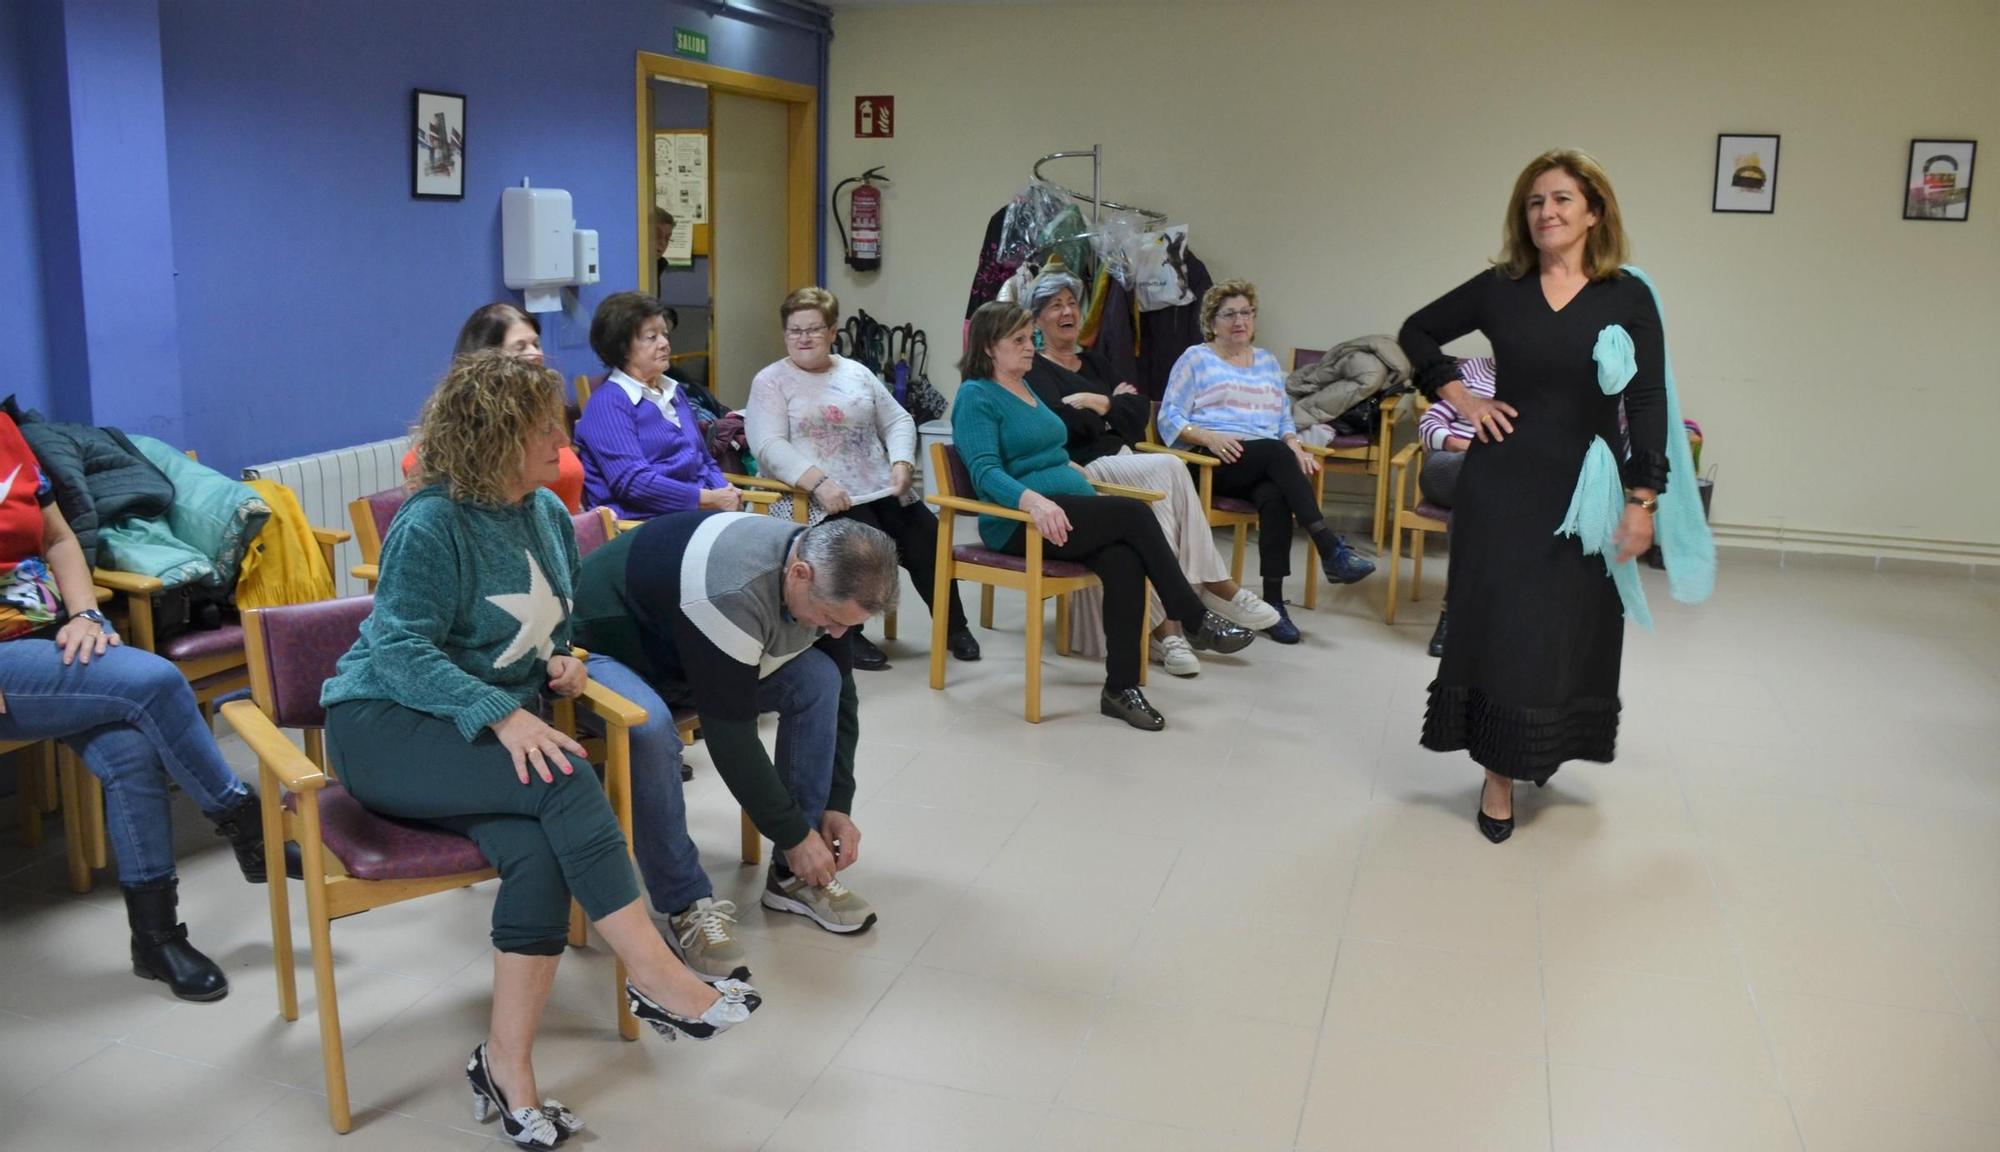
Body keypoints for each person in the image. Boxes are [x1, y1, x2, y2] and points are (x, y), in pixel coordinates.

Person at [321, 352, 758, 1148]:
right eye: (541, 428)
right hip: (384, 724)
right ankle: (658, 979)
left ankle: (505, 1067)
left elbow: (550, 629)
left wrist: (562, 664)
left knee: (539, 851)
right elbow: (397, 653)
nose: (560, 440)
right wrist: (502, 711)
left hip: (471, 728)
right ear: (491, 437)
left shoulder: (549, 516)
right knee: (562, 776)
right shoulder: (433, 522)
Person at [1398, 148, 1669, 844]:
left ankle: (1538, 746)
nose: (1546, 212)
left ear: (1593, 213)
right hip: (1503, 485)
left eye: (1561, 200)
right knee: (1504, 626)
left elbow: (1644, 401)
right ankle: (1496, 774)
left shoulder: (1627, 296)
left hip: (1586, 491)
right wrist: (1460, 397)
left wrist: (1645, 499)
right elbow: (1416, 331)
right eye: (1534, 202)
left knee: (1563, 631)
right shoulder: (1502, 286)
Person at [0, 411, 280, 1003]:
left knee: (130, 752)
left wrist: (86, 614)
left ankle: (155, 940)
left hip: (47, 635)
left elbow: (56, 538)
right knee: (153, 682)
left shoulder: (6, 432)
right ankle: (244, 820)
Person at [573, 511, 895, 947]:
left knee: (820, 679)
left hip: (680, 648)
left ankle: (791, 877)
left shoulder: (820, 583)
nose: (838, 634)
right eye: (829, 617)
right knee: (649, 729)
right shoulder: (731, 590)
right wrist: (795, 833)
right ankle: (684, 903)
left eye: (851, 626)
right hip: (597, 651)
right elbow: (731, 738)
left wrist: (837, 804)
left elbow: (842, 695)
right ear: (799, 574)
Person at [951, 302, 1257, 731]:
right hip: (1019, 523)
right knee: (1133, 514)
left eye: (1029, 338)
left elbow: (1048, 449)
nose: (1029, 347)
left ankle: (1120, 688)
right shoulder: (976, 396)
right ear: (987, 347)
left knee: (1124, 560)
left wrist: (1070, 471)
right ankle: (1192, 615)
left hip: (1064, 510)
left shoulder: (1026, 388)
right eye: (1018, 340)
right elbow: (986, 472)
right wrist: (1036, 503)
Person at [1022, 270, 1279, 676]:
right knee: (1170, 467)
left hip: (1125, 456)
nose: (1068, 311)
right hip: (1087, 468)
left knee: (1160, 499)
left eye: (1073, 302)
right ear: (1036, 319)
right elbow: (1067, 427)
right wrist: (1112, 406)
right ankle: (1211, 587)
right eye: (1056, 305)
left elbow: (1138, 414)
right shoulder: (1036, 369)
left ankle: (1168, 631)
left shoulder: (1095, 361)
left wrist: (1098, 404)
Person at [746, 286, 979, 672]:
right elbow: (768, 445)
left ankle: (955, 627)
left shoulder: (856, 372)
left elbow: (899, 420)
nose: (803, 338)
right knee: (861, 547)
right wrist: (819, 482)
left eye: (813, 329)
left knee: (927, 536)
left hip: (874, 487)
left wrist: (903, 462)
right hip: (809, 496)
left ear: (833, 331)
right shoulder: (771, 381)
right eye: (794, 330)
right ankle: (846, 633)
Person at [1159, 280, 1376, 644]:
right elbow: (1170, 417)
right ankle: (1329, 549)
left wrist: (1295, 444)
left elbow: (1282, 422)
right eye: (1229, 314)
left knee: (1275, 492)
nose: (1239, 320)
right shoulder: (1196, 358)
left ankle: (1274, 603)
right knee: (1275, 454)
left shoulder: (1267, 361)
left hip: (1261, 461)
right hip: (1212, 461)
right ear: (1213, 322)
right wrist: (1210, 437)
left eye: (1246, 312)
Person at [574, 292, 743, 520]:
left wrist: (725, 492)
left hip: (700, 515)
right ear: (622, 348)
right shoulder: (608, 404)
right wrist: (708, 499)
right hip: (647, 526)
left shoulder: (674, 391)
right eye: (651, 337)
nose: (665, 344)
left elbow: (703, 460)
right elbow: (633, 482)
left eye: (664, 334)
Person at [402, 303, 585, 512]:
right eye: (521, 346)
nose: (536, 354)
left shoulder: (545, 411)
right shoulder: (465, 443)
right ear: (487, 358)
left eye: (536, 343)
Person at [1411, 355, 1497, 657]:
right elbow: (1429, 421)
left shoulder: (1537, 383)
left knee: (1476, 502)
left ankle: (1451, 613)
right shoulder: (1471, 371)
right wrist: (1461, 446)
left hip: (1491, 484)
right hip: (1448, 467)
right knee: (1478, 482)